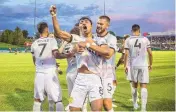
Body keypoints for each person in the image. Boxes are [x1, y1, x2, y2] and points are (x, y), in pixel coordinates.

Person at [50, 5, 113, 111]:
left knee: (97, 110)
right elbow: (59, 33)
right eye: (81, 22)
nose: (83, 23)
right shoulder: (76, 38)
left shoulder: (99, 40)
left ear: (91, 26)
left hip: (95, 79)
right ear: (79, 27)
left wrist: (87, 44)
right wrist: (54, 15)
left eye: (86, 22)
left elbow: (107, 52)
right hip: (79, 79)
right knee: (72, 109)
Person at [31, 22, 72, 111]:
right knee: (57, 99)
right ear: (46, 29)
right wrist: (67, 55)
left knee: (37, 99)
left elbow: (34, 60)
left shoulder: (34, 43)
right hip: (50, 73)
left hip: (39, 73)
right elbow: (56, 54)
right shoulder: (51, 40)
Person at [124, 24, 153, 111]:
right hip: (143, 65)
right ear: (139, 30)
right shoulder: (145, 39)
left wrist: (125, 65)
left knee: (134, 85)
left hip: (133, 65)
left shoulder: (128, 40)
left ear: (132, 30)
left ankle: (135, 105)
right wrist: (150, 64)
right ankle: (143, 109)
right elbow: (150, 53)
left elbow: (126, 54)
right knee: (143, 85)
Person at [95, 15, 117, 111]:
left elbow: (108, 55)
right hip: (94, 74)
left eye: (101, 24)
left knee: (107, 104)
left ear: (107, 26)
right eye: (97, 23)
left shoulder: (111, 38)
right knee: (96, 104)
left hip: (106, 75)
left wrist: (92, 46)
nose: (98, 25)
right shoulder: (93, 37)